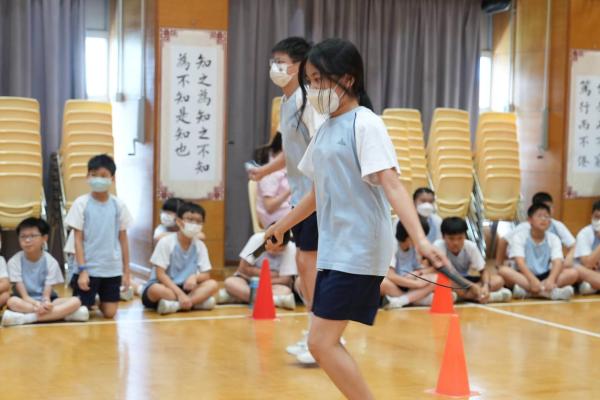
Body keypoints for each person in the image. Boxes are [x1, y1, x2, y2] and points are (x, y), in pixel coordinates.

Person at [265, 38, 463, 400]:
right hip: (335, 247)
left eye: (320, 80)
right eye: (310, 81)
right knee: (322, 342)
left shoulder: (366, 124)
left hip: (359, 248)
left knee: (321, 342)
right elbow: (317, 193)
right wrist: (281, 226)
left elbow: (392, 184)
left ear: (348, 79)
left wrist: (420, 239)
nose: (313, 89)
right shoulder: (325, 129)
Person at [248, 37, 324, 363]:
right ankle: (317, 334)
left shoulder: (310, 102)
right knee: (305, 264)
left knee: (310, 263)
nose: (275, 68)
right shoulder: (286, 102)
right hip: (301, 196)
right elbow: (292, 152)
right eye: (273, 62)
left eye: (281, 62)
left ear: (300, 66)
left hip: (317, 197)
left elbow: (322, 148)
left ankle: (322, 337)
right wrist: (265, 170)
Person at [66, 154, 133, 318]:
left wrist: (126, 272)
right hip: (88, 268)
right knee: (81, 311)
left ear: (112, 178)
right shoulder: (81, 203)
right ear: (87, 177)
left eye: (103, 176)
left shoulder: (118, 205)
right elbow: (77, 240)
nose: (98, 179)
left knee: (110, 313)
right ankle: (87, 299)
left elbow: (123, 240)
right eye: (94, 175)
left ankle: (95, 299)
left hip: (111, 268)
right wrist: (82, 270)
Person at [1, 217, 88, 326]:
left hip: (48, 301)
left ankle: (27, 318)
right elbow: (25, 296)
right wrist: (36, 305)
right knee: (12, 301)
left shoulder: (51, 262)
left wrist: (45, 303)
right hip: (25, 301)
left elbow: (46, 296)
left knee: (76, 301)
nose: (27, 240)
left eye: (32, 236)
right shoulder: (14, 261)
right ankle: (62, 315)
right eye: (23, 236)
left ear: (44, 238)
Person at [141, 202, 218, 314]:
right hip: (166, 287)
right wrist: (180, 294)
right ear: (178, 221)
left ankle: (176, 305)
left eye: (198, 221)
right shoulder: (166, 242)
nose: (194, 224)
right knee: (156, 289)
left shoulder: (200, 245)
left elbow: (206, 274)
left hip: (187, 288)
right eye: (190, 220)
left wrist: (195, 277)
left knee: (212, 284)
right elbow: (160, 274)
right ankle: (195, 303)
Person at [498, 203, 578, 300]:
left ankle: (528, 293)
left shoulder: (553, 238)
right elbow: (520, 262)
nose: (543, 219)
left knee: (573, 273)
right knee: (503, 271)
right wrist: (532, 280)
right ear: (530, 220)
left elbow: (557, 261)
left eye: (546, 217)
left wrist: (551, 279)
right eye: (539, 216)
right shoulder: (520, 236)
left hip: (545, 275)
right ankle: (550, 293)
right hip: (525, 275)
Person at [434, 217, 511, 303]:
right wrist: (471, 286)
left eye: (460, 238)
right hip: (451, 279)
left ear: (465, 236)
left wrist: (485, 286)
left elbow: (483, 271)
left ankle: (468, 296)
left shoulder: (470, 246)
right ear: (443, 237)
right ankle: (487, 297)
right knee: (444, 282)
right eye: (451, 239)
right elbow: (449, 273)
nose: (456, 243)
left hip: (466, 280)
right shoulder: (438, 246)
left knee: (498, 280)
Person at [220, 228, 297, 309]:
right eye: (271, 248)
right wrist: (274, 274)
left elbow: (285, 280)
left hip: (271, 285)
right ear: (266, 239)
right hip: (247, 281)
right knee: (230, 282)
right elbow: (242, 268)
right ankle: (273, 300)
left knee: (285, 291)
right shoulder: (257, 239)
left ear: (285, 245)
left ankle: (238, 297)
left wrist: (255, 273)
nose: (272, 252)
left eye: (277, 250)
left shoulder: (291, 248)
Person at [495, 192, 576, 268]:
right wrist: (499, 265)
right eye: (543, 208)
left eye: (550, 207)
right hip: (526, 266)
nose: (548, 211)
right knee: (506, 271)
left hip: (548, 266)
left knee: (574, 272)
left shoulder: (557, 225)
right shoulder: (525, 226)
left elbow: (573, 245)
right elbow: (503, 241)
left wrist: (568, 259)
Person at [380, 217, 440, 309]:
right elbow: (391, 276)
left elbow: (431, 268)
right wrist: (416, 284)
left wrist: (418, 273)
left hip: (411, 283)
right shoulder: (392, 245)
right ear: (410, 234)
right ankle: (418, 300)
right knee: (382, 283)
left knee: (437, 278)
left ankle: (401, 301)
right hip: (395, 284)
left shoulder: (415, 247)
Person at [255, 132, 292, 229]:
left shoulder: (282, 169)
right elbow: (269, 206)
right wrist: (291, 190)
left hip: (285, 217)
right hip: (275, 222)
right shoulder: (270, 173)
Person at [573, 200, 600, 294]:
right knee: (576, 269)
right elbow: (588, 264)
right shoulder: (584, 233)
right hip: (586, 273)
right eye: (597, 217)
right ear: (591, 216)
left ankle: (594, 287)